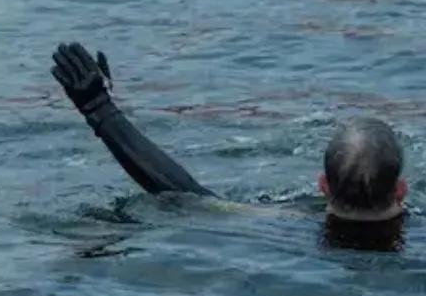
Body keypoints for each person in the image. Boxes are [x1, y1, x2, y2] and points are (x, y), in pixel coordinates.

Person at [52, 41, 408, 236]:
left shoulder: (284, 222)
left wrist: (100, 110)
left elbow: (181, 191)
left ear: (322, 186)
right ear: (401, 190)